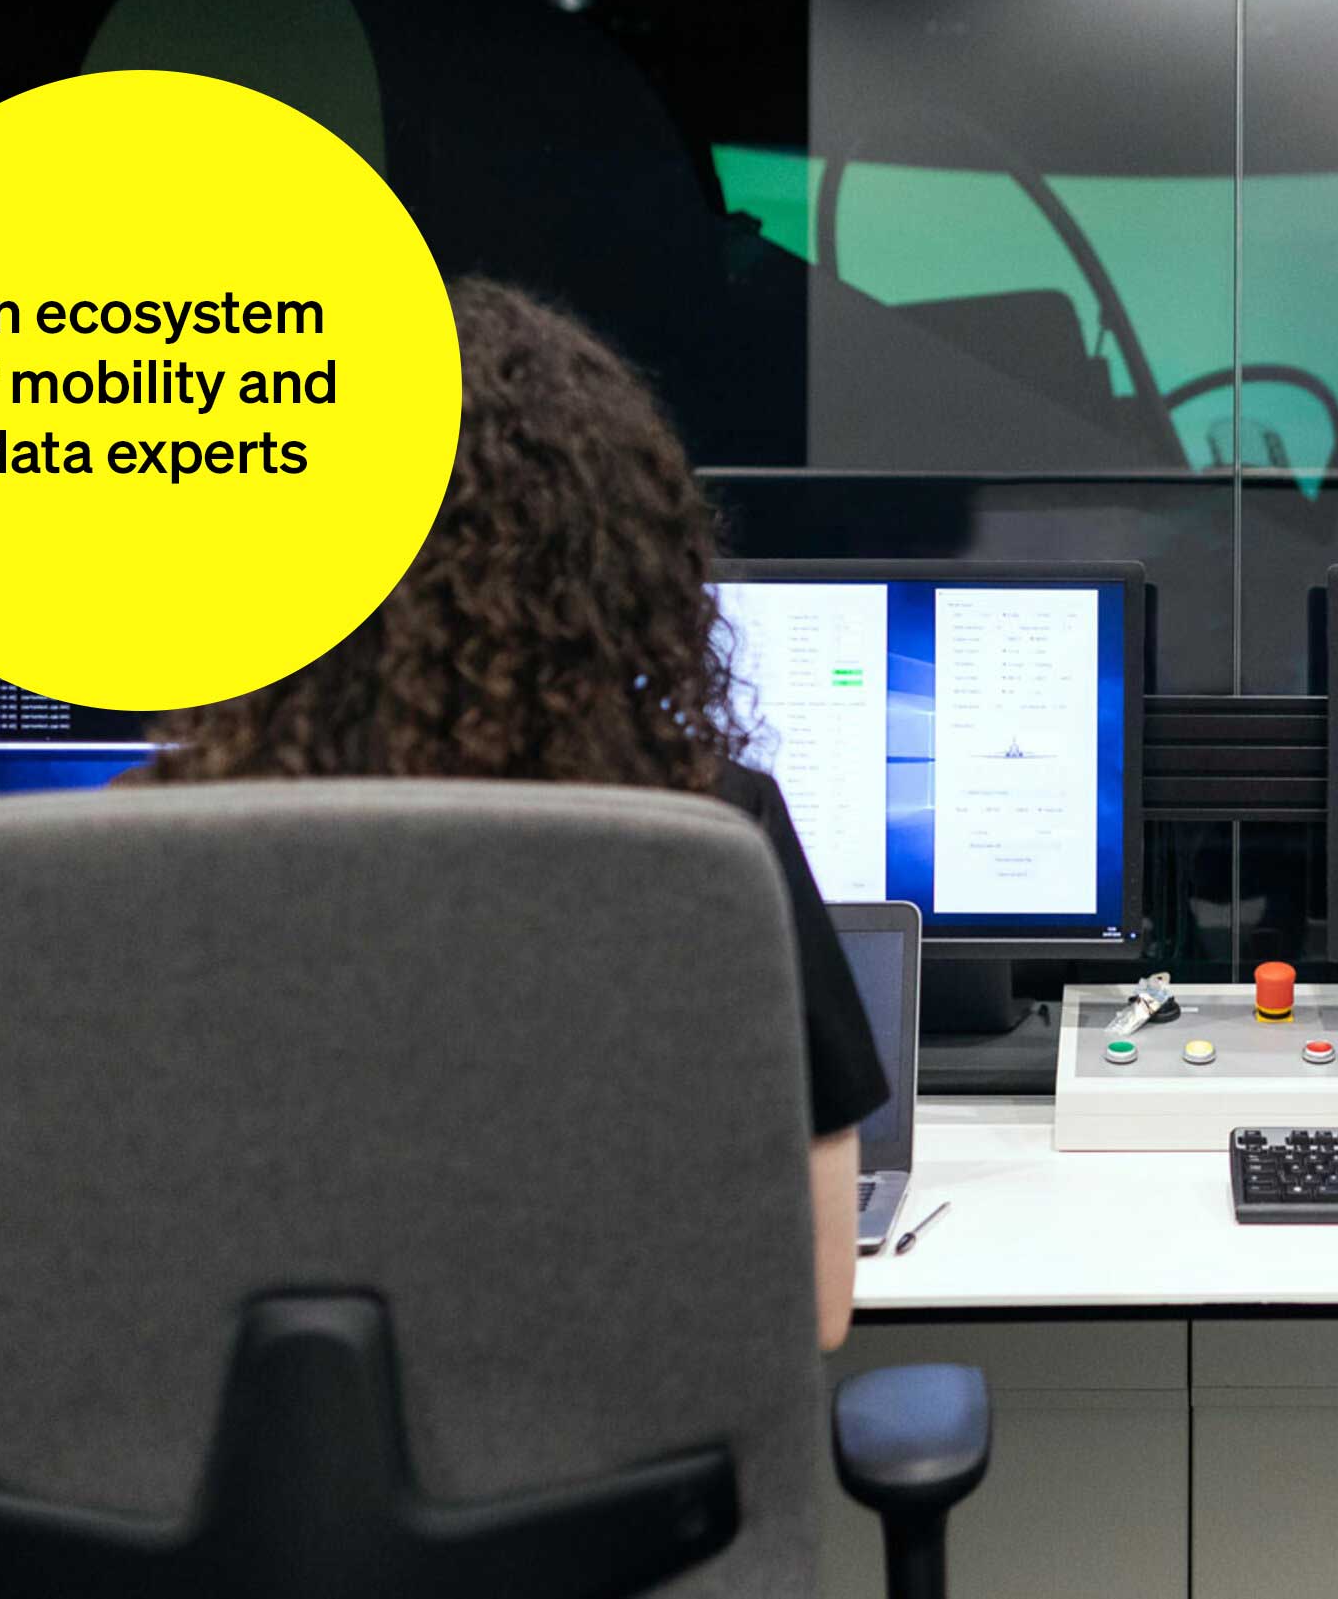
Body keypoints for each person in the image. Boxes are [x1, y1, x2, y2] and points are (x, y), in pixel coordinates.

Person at [136, 278, 885, 1348]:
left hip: (213, 1504)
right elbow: (809, 1308)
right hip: (607, 1505)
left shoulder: (128, 852)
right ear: (619, 564)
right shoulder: (708, 842)